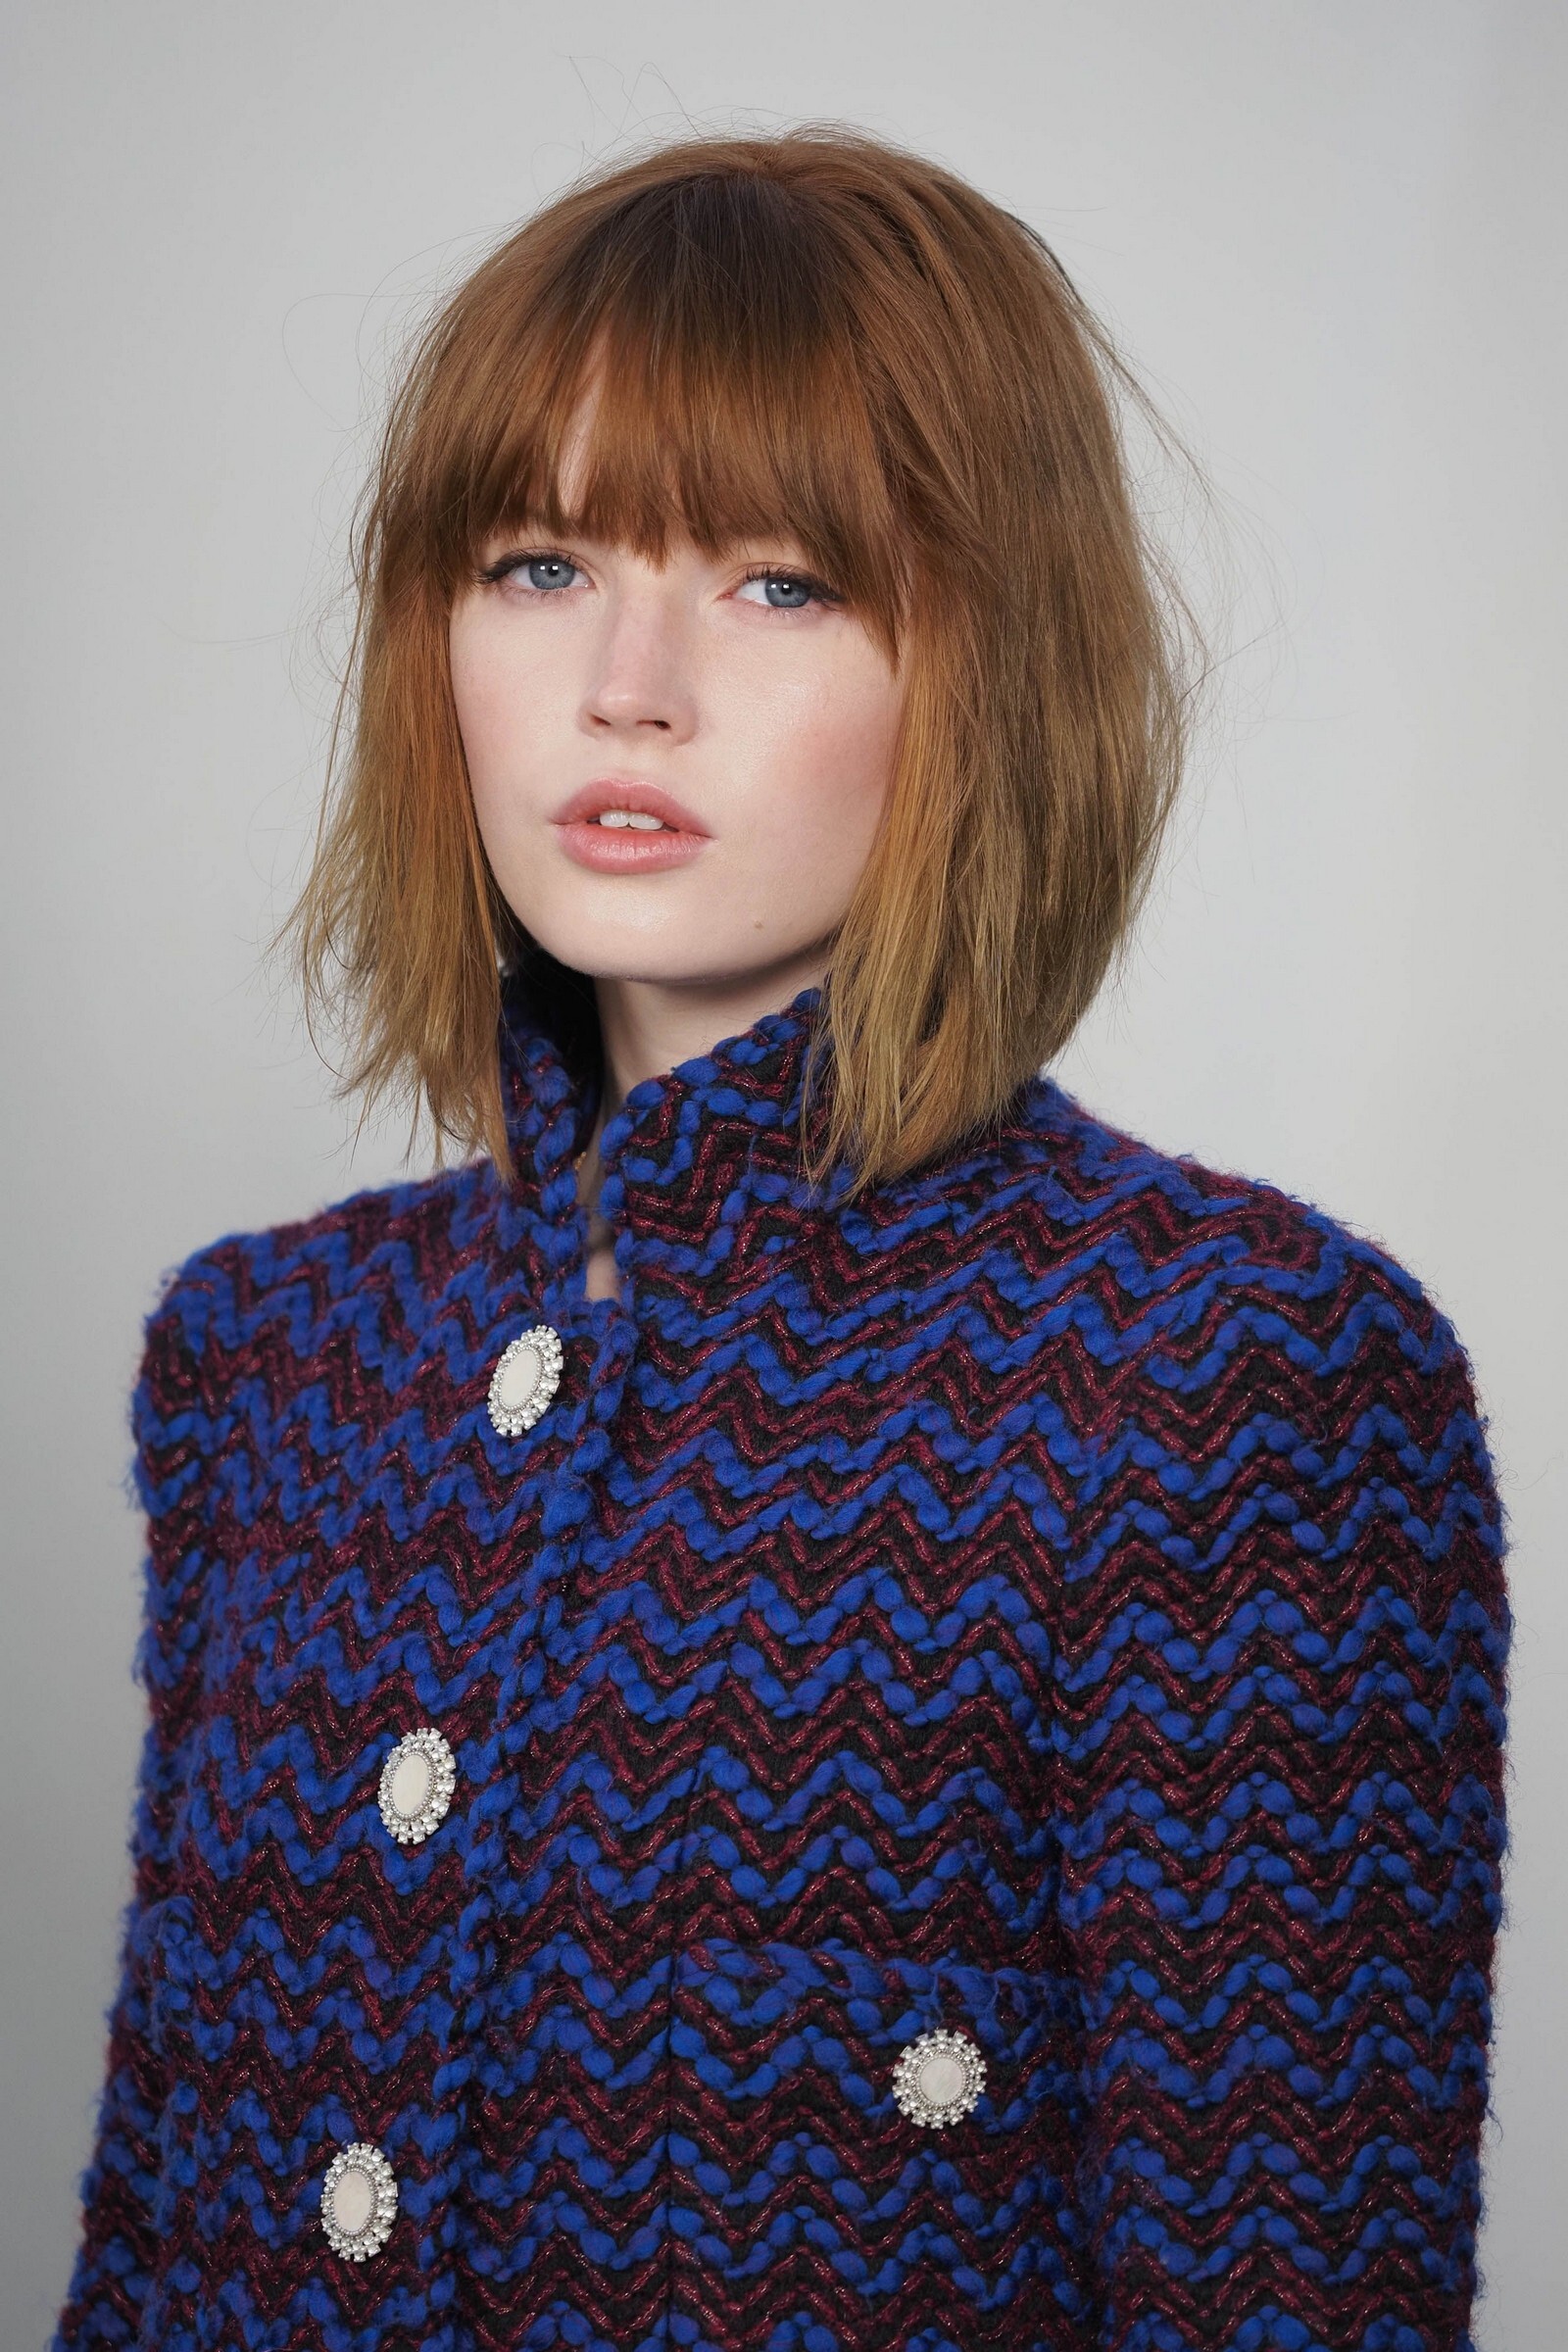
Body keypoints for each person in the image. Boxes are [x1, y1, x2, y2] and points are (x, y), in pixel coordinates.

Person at [52, 124, 1512, 2352]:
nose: (627, 683)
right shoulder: (272, 1353)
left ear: (990, 661)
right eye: (540, 562)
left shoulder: (1233, 1371)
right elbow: (171, 2234)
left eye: (779, 582)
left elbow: (1287, 2296)